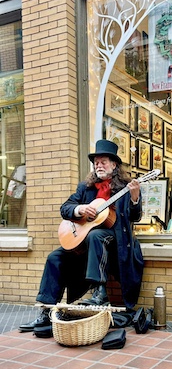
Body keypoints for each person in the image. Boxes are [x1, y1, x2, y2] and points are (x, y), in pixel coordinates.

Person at [19, 139, 144, 336]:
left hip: (115, 243)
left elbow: (134, 216)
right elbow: (65, 208)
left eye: (103, 161)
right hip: (85, 243)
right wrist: (79, 210)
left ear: (114, 165)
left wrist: (135, 197)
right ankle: (46, 311)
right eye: (96, 162)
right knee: (54, 257)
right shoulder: (85, 188)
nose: (99, 165)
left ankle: (100, 293)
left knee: (96, 235)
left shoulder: (126, 187)